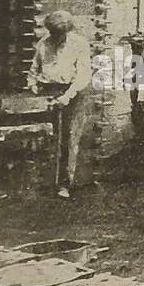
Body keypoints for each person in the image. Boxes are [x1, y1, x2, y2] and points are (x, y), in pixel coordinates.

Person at [28, 10, 92, 199]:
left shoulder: (79, 44)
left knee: (68, 138)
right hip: (49, 92)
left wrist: (67, 97)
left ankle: (65, 184)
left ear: (67, 32)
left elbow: (83, 75)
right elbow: (34, 69)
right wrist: (32, 84)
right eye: (54, 34)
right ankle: (46, 181)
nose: (57, 38)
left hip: (72, 93)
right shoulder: (43, 44)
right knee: (48, 137)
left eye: (60, 34)